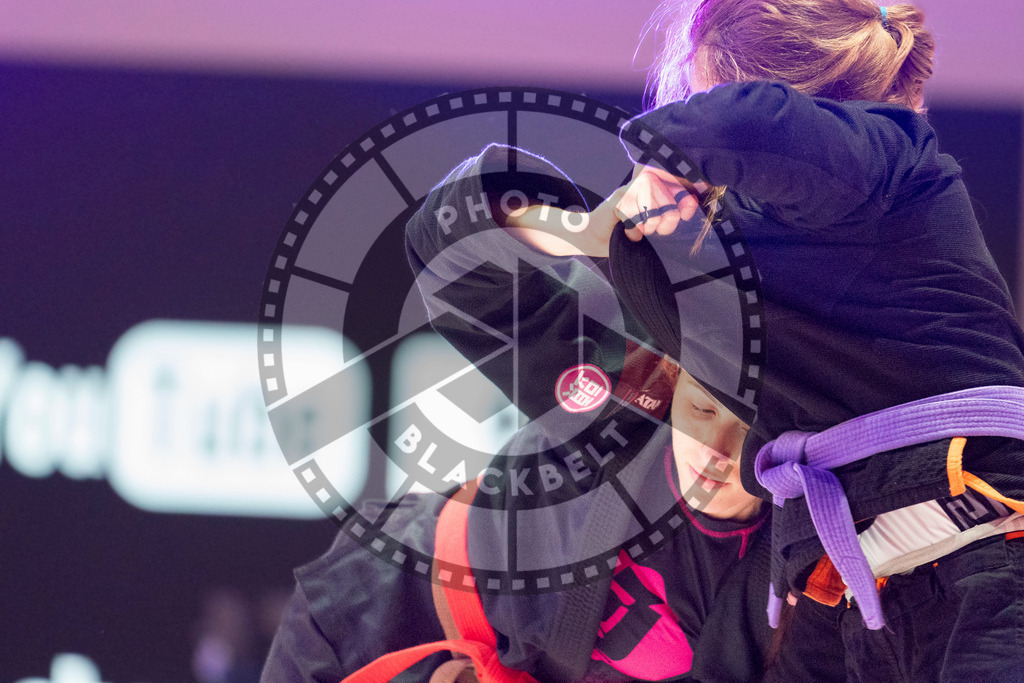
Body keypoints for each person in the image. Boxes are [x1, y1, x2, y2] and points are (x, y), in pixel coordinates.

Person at [589, 0, 1024, 680]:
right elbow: (668, 298)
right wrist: (632, 206)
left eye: (694, 89)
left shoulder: (895, 159)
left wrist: (661, 154)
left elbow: (747, 124)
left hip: (992, 561)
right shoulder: (762, 249)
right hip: (856, 593)